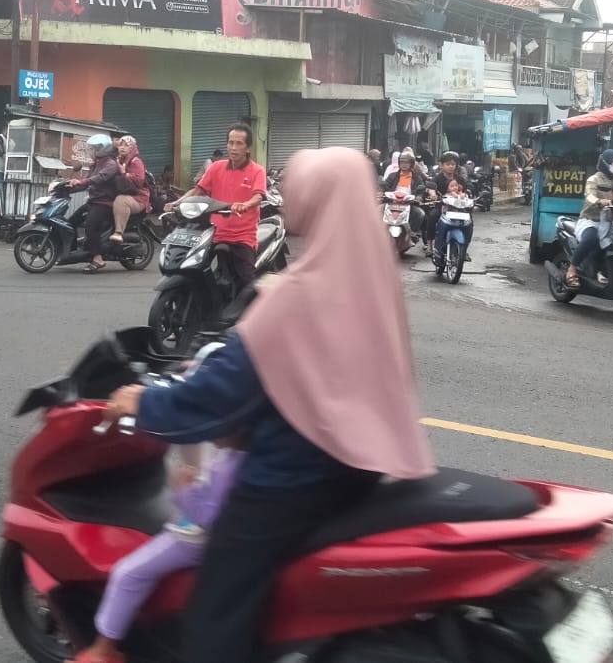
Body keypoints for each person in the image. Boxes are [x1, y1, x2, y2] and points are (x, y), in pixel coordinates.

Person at [102, 147, 435, 663]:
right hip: (361, 463)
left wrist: (143, 402)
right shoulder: (372, 277)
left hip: (292, 477)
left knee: (218, 606)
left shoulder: (298, 295)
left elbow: (223, 392)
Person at [71, 438, 246, 663]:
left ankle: (103, 651)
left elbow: (206, 519)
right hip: (225, 534)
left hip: (195, 539)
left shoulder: (230, 467)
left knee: (127, 573)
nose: (211, 434)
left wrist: (184, 491)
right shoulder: (247, 455)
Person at [167, 123, 266, 290]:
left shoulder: (257, 171)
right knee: (191, 267)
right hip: (213, 233)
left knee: (248, 282)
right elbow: (198, 191)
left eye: (239, 143)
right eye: (231, 143)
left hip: (243, 236)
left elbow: (258, 196)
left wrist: (245, 204)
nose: (233, 148)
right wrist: (177, 203)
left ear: (248, 148)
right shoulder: (216, 167)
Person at [563, 149, 613, 289]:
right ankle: (572, 269)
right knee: (591, 239)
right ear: (605, 163)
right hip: (590, 221)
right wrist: (600, 201)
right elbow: (589, 196)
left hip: (610, 223)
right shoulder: (594, 179)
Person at [68, 134, 122, 272]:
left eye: (92, 149)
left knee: (90, 226)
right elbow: (87, 183)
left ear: (101, 149)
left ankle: (98, 259)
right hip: (94, 201)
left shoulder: (110, 164)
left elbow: (98, 178)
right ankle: (71, 251)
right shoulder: (95, 164)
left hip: (105, 202)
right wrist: (68, 187)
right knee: (72, 220)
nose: (90, 152)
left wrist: (82, 182)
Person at [380, 147, 429, 238]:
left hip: (409, 205)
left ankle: (412, 234)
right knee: (377, 210)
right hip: (391, 203)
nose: (404, 165)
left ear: (412, 164)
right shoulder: (392, 176)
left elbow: (421, 190)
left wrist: (419, 197)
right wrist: (381, 193)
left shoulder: (417, 178)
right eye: (402, 162)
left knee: (420, 214)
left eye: (407, 162)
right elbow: (385, 186)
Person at [110, 135, 150, 244]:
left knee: (121, 200)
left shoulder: (135, 161)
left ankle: (118, 232)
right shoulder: (119, 160)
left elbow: (139, 180)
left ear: (131, 148)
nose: (122, 148)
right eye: (120, 145)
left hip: (138, 198)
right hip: (127, 192)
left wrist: (125, 173)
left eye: (126, 145)